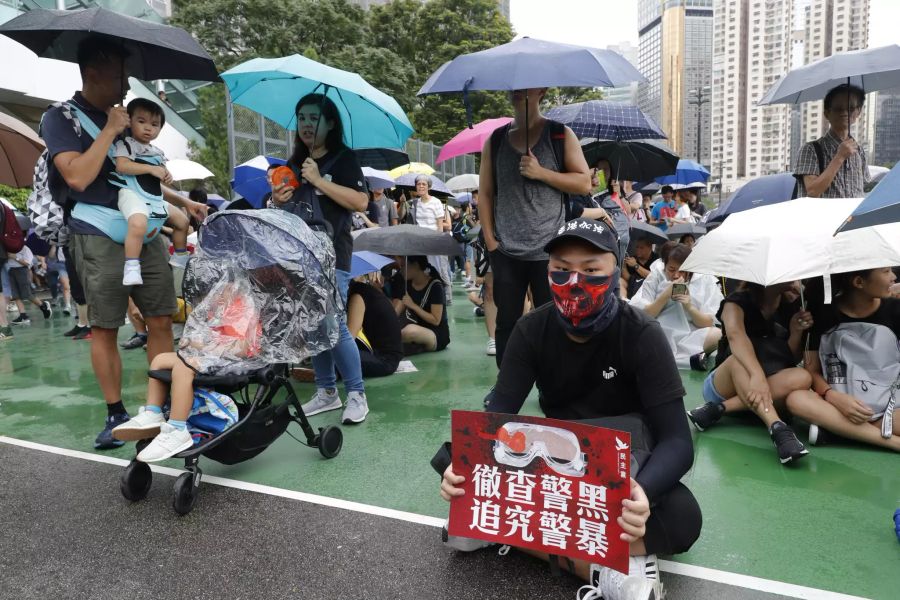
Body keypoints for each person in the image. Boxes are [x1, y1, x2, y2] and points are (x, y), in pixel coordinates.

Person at [437, 219, 701, 599]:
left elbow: (677, 440)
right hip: (558, 461)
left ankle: (503, 533)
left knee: (682, 516)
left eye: (591, 270)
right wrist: (463, 468)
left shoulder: (642, 333)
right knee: (450, 459)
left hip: (628, 467)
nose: (574, 282)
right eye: (561, 270)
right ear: (547, 272)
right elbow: (496, 418)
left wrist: (642, 491)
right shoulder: (531, 330)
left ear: (615, 271)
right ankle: (603, 565)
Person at [41, 37, 208, 449]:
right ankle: (115, 411)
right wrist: (111, 130)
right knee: (104, 327)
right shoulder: (62, 117)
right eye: (121, 72)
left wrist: (183, 200)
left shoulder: (133, 118)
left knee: (161, 318)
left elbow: (142, 176)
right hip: (97, 231)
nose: (127, 81)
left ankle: (162, 406)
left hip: (146, 227)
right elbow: (77, 176)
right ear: (93, 71)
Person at [269, 93, 369, 425]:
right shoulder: (295, 162)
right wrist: (278, 199)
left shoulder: (344, 159)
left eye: (314, 117)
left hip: (333, 256)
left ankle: (356, 393)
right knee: (313, 327)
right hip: (299, 256)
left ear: (330, 123)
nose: (306, 124)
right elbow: (290, 209)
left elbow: (359, 201)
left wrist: (318, 180)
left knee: (333, 324)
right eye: (301, 117)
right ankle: (327, 392)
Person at [479, 87, 591, 366]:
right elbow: (485, 193)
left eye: (526, 87)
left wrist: (541, 172)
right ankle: (506, 384)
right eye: (514, 87)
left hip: (550, 251)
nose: (518, 92)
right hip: (506, 251)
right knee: (507, 322)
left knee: (554, 321)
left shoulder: (560, 134)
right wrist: (491, 242)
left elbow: (583, 182)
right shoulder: (494, 141)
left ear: (541, 91)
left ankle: (550, 384)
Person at [110, 279, 262, 461]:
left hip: (236, 362)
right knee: (160, 360)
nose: (215, 293)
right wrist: (193, 342)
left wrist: (204, 347)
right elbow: (205, 334)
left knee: (184, 366)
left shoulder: (243, 310)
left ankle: (177, 428)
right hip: (210, 357)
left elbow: (242, 348)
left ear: (234, 287)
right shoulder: (217, 308)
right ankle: (153, 413)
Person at [686, 282, 814, 464]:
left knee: (803, 377)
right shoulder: (735, 303)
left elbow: (789, 359)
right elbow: (736, 337)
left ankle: (719, 409)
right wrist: (757, 375)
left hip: (764, 387)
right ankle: (777, 428)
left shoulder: (792, 306)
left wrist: (796, 332)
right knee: (739, 361)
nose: (797, 280)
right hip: (724, 383)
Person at [786, 268, 900, 451]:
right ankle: (891, 442)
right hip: (838, 404)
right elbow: (811, 369)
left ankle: (837, 431)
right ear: (858, 282)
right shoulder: (821, 313)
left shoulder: (896, 309)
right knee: (796, 399)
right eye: (886, 272)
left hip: (890, 406)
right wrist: (834, 396)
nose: (893, 277)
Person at [113, 98, 191, 285]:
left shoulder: (157, 151)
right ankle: (132, 266)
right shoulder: (125, 144)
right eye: (142, 121)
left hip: (153, 197)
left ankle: (180, 256)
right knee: (138, 223)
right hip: (132, 193)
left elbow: (161, 169)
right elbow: (121, 166)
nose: (148, 128)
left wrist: (167, 175)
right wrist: (149, 169)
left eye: (155, 124)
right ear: (129, 121)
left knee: (182, 221)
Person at [629, 244, 723, 370]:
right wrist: (665, 295)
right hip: (659, 334)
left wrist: (689, 306)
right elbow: (646, 316)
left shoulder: (704, 279)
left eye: (682, 271)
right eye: (671, 270)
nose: (676, 275)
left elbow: (707, 322)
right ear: (665, 266)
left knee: (718, 334)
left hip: (691, 335)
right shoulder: (656, 276)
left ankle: (688, 357)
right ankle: (691, 359)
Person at [794, 84, 869, 198]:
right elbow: (812, 191)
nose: (845, 112)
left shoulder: (859, 151)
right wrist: (840, 157)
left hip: (853, 216)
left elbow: (861, 190)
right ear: (827, 113)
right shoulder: (810, 149)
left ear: (858, 112)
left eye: (851, 108)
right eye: (838, 108)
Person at [347, 274, 403, 377]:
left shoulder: (357, 297)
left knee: (338, 356)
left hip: (384, 360)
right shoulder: (366, 290)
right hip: (382, 354)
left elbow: (348, 339)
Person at [398, 255, 450, 353]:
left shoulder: (436, 286)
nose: (401, 270)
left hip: (435, 333)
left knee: (410, 331)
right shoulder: (407, 284)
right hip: (414, 324)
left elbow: (436, 320)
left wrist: (413, 305)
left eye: (404, 266)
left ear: (416, 265)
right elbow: (397, 311)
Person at [6, 244, 52, 325]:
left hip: (21, 270)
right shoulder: (6, 247)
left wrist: (15, 257)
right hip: (10, 270)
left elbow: (27, 263)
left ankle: (43, 305)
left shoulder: (25, 248)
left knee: (27, 294)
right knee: (15, 294)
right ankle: (23, 316)